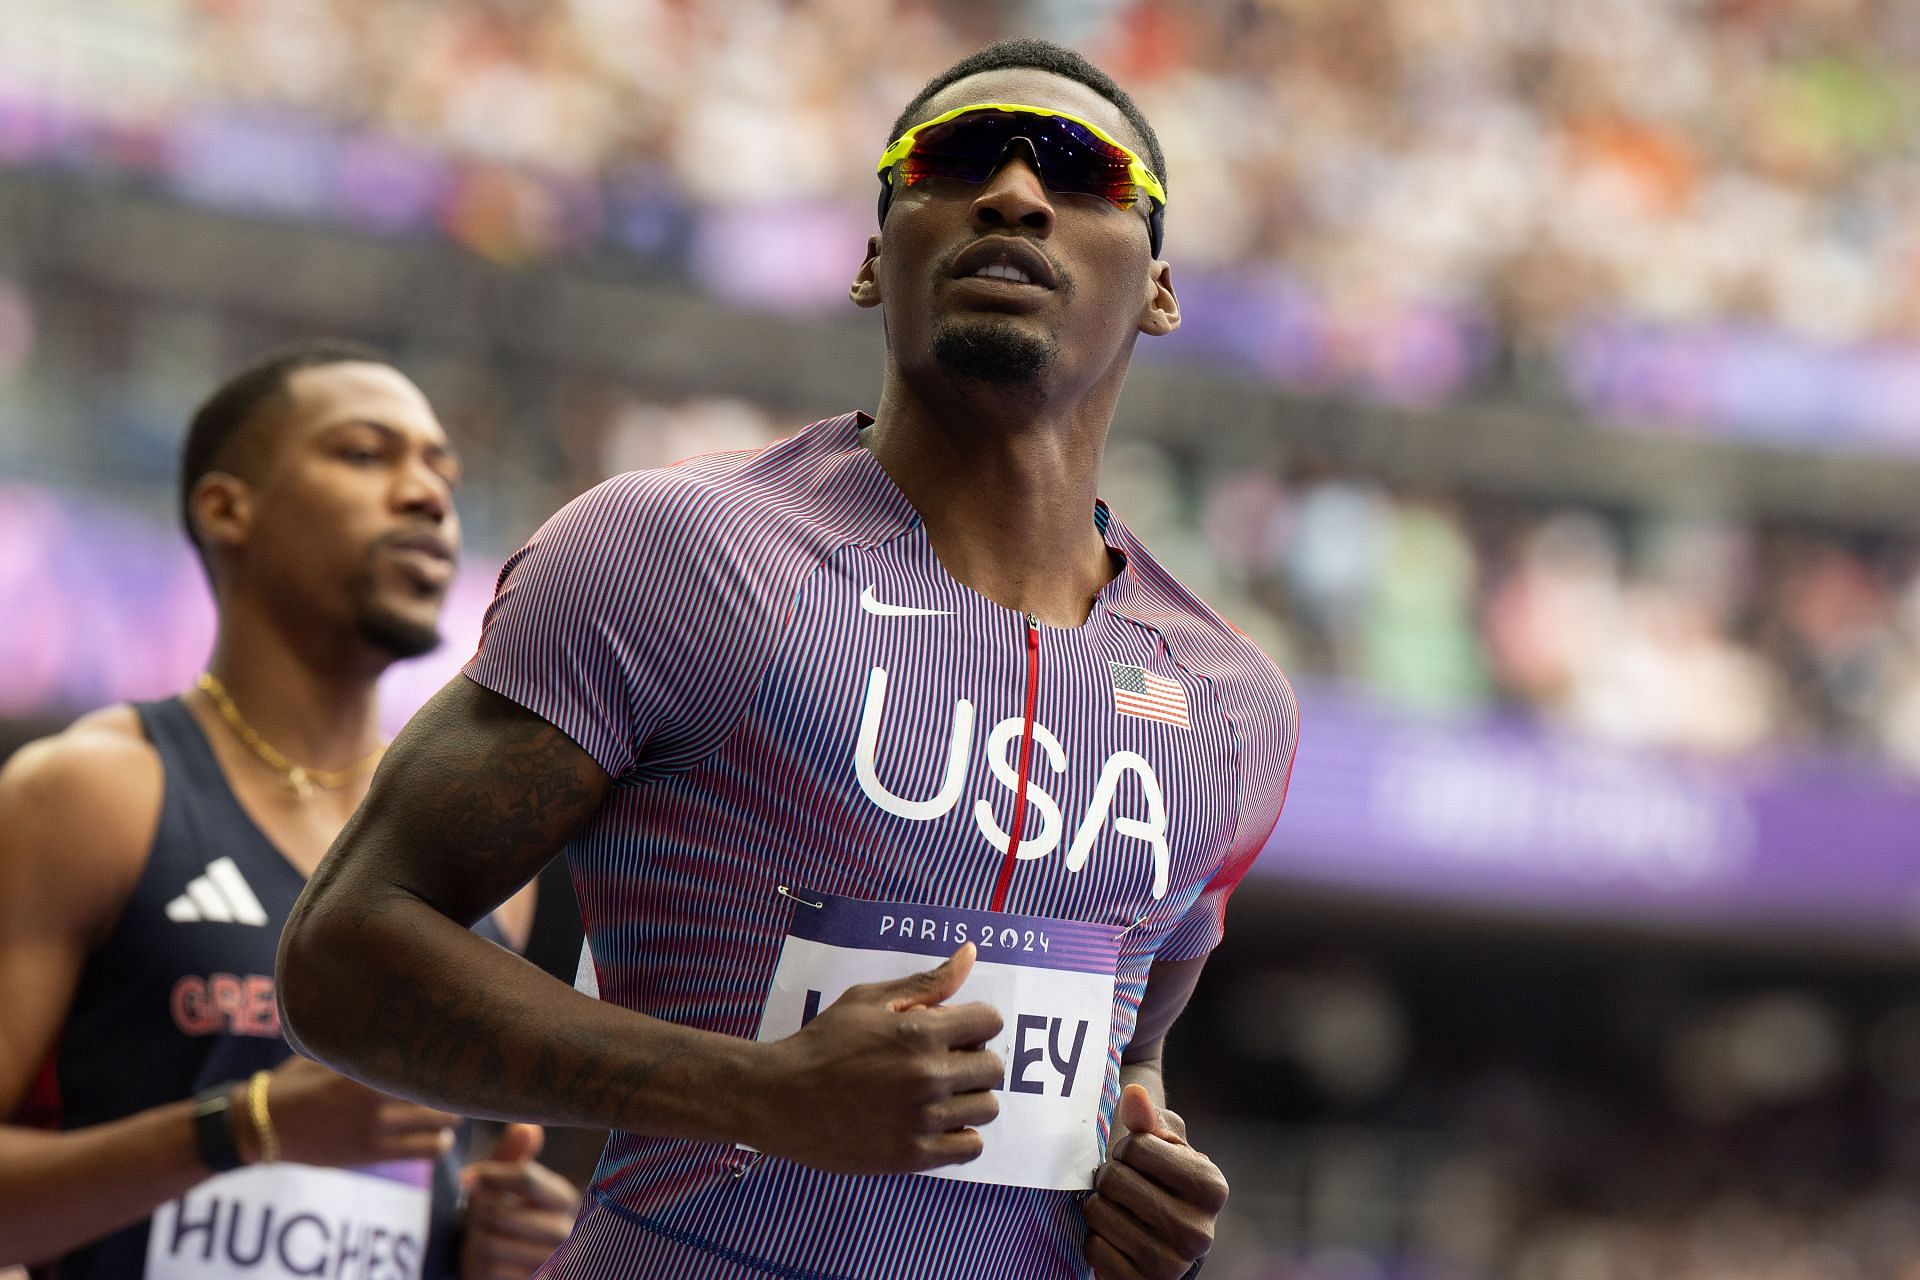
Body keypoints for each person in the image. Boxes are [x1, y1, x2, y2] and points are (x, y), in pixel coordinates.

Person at [279, 39, 1298, 1280]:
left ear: (1161, 288)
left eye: (1085, 172)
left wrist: (1148, 1178)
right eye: (953, 162)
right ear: (875, 258)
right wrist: (755, 1092)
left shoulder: (1232, 702)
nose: (1016, 194)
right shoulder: (677, 554)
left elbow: (1127, 1051)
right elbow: (340, 953)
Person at [0, 341, 579, 1280]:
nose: (428, 495)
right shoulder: (92, 795)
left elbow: (394, 1186)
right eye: (365, 454)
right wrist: (251, 1127)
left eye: (442, 470)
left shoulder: (476, 851)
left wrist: (482, 1242)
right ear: (229, 508)